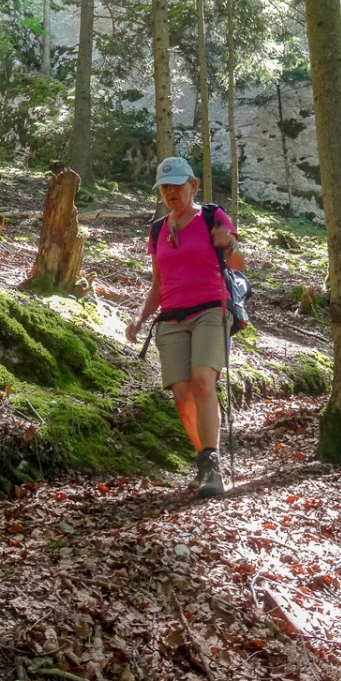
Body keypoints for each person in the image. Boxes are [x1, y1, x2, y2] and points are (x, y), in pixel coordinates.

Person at [125, 156, 246, 499]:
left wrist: (229, 243)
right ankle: (204, 458)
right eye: (164, 187)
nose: (170, 192)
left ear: (192, 185)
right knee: (181, 393)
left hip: (211, 308)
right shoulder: (157, 230)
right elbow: (158, 284)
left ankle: (212, 465)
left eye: (177, 185)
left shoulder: (211, 216)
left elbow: (237, 263)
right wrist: (139, 317)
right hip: (171, 316)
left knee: (203, 380)